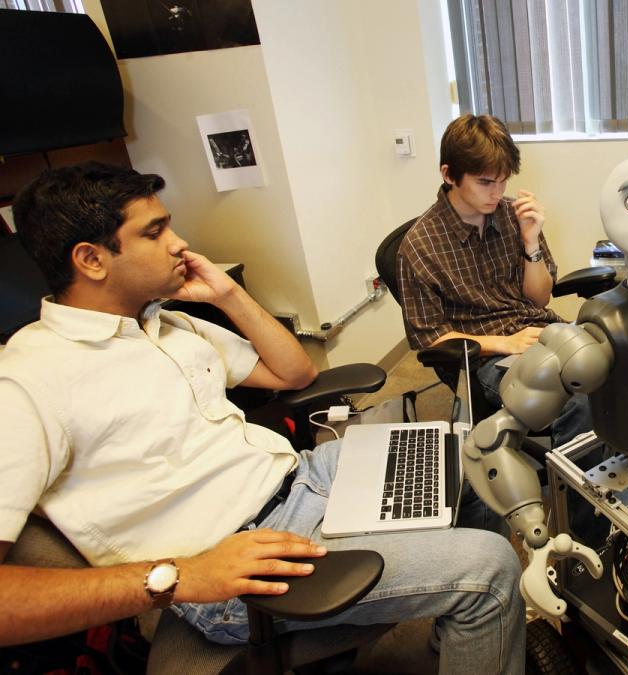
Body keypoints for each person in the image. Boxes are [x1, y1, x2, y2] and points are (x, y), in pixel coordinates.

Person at [0, 162, 525, 674]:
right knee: (491, 568)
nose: (179, 243)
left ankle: (459, 632)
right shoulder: (28, 380)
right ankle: (475, 606)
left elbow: (295, 373)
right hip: (239, 557)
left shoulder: (166, 323)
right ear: (92, 259)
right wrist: (179, 577)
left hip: (303, 477)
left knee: (477, 452)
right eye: (155, 232)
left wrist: (227, 294)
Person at [397, 113, 591, 448]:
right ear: (449, 175)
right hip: (484, 355)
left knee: (609, 366)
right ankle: (579, 496)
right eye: (485, 182)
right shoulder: (419, 246)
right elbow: (430, 339)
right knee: (577, 399)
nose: (497, 193)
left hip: (538, 330)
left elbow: (540, 299)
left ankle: (618, 468)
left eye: (503, 182)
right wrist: (506, 342)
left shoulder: (512, 214)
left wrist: (531, 242)